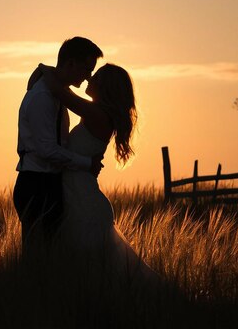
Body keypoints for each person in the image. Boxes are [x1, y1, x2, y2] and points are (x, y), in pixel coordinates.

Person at [30, 62, 160, 288]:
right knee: (92, 272)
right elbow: (61, 91)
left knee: (96, 274)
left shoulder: (96, 114)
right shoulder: (95, 113)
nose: (89, 79)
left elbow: (59, 90)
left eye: (96, 77)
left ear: (106, 87)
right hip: (78, 197)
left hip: (83, 202)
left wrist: (44, 68)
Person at [13, 37, 104, 257]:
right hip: (36, 183)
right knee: (39, 259)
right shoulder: (43, 97)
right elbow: (47, 150)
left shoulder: (56, 93)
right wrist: (87, 163)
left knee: (52, 256)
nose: (88, 76)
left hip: (49, 184)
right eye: (86, 68)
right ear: (71, 63)